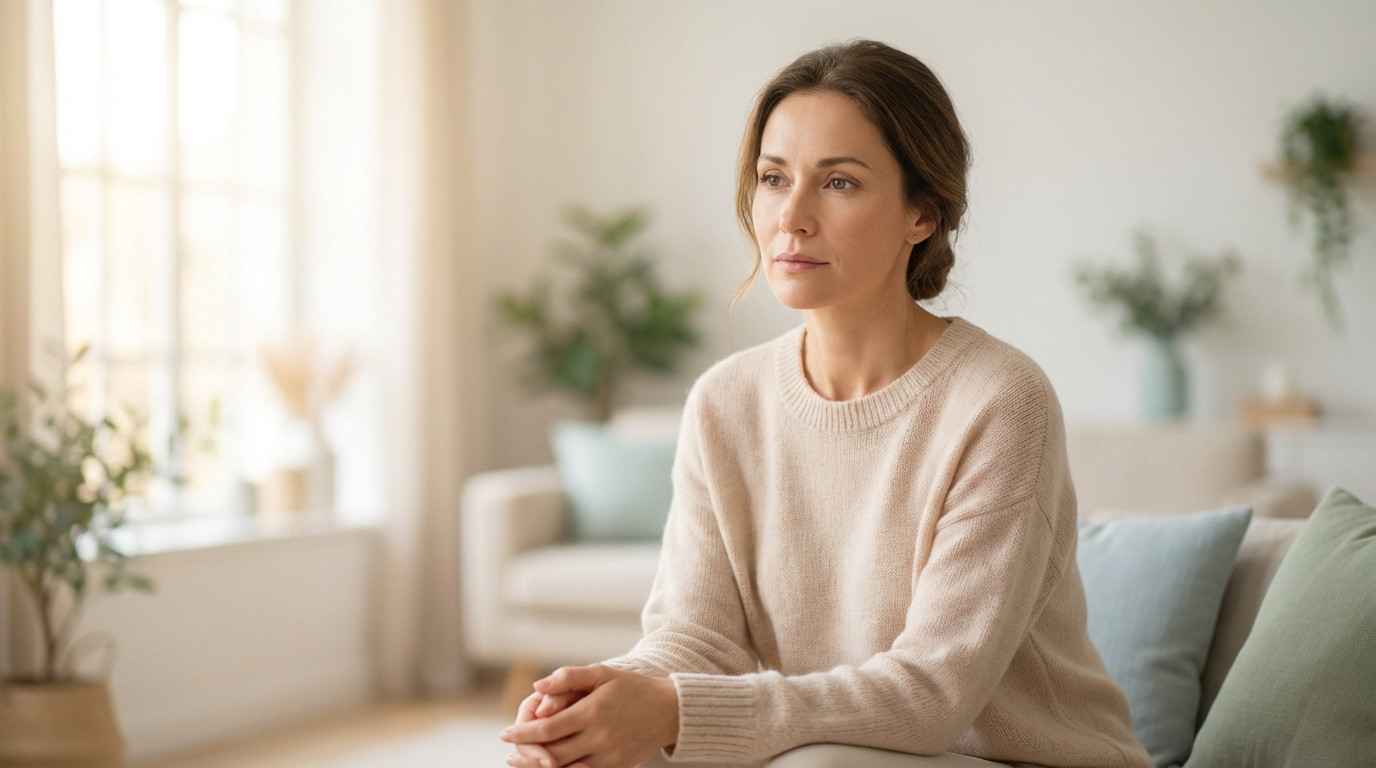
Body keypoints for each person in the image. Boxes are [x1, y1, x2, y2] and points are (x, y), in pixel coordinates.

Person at [501, 39, 1153, 768]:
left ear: (923, 214)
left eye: (838, 183)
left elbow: (932, 694)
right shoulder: (725, 402)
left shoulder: (1000, 401)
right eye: (775, 178)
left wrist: (678, 712)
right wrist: (605, 702)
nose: (793, 217)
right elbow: (698, 637)